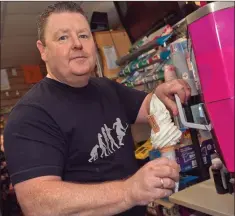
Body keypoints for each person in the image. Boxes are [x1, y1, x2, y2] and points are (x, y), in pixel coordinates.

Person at [3, 2, 191, 216]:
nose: (77, 44)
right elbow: (38, 204)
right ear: (43, 50)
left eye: (83, 35)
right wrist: (129, 191)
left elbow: (147, 105)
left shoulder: (106, 87)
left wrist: (161, 94)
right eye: (63, 37)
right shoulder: (30, 116)